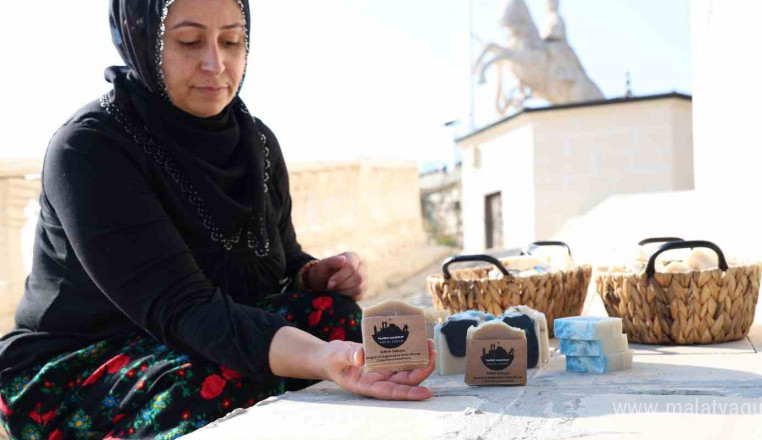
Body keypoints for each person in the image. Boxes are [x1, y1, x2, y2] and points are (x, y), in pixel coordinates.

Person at [0, 0, 436, 438]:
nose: (215, 63)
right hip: (82, 361)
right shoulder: (90, 150)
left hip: (198, 333)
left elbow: (278, 261)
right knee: (216, 382)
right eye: (189, 42)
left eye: (232, 41)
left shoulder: (257, 144)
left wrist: (310, 275)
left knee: (331, 315)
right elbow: (185, 307)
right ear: (141, 39)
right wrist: (324, 360)